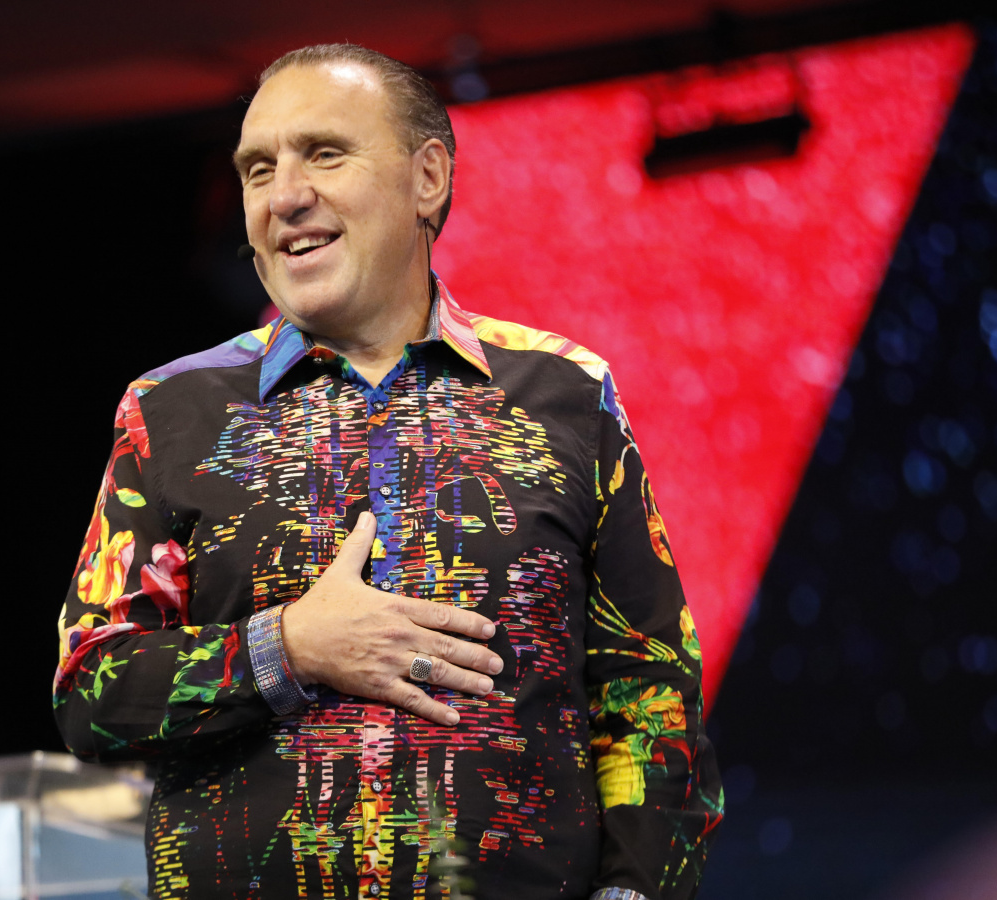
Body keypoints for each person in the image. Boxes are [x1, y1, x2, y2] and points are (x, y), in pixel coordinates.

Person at [53, 43, 722, 900]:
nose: (284, 196)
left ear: (427, 178)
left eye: (324, 154)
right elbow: (92, 693)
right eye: (258, 169)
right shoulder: (171, 411)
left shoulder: (567, 393)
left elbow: (651, 697)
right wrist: (289, 647)